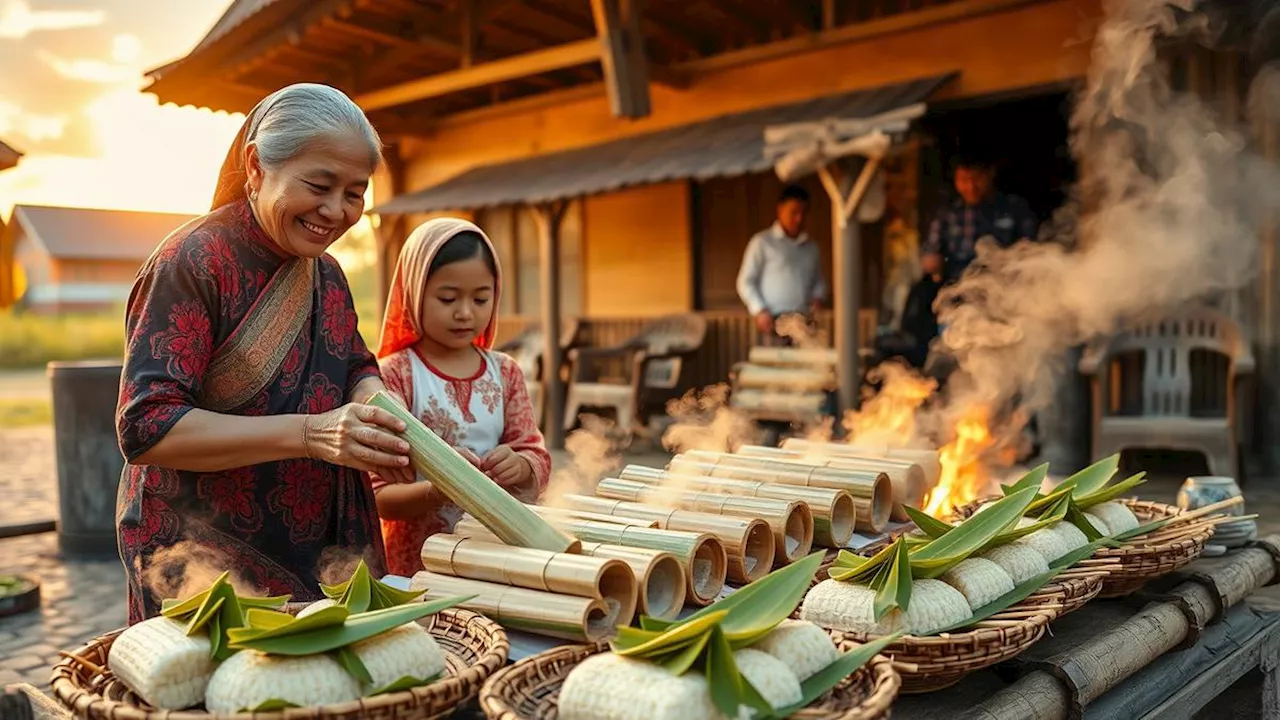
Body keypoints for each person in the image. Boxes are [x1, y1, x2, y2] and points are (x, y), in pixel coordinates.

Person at [114, 84, 414, 624]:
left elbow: (353, 363)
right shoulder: (191, 262)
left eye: (355, 192)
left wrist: (375, 398)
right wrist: (311, 434)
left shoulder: (326, 272)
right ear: (256, 166)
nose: (336, 210)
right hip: (203, 551)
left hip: (319, 550)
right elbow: (147, 426)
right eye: (319, 185)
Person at [371, 218, 551, 577]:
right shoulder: (394, 375)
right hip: (418, 565)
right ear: (413, 291)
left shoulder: (505, 372)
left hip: (496, 554)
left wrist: (521, 466)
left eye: (481, 298)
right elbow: (378, 496)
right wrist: (439, 489)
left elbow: (536, 455)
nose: (465, 312)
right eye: (448, 298)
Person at [921, 153, 1040, 286]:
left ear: (991, 173)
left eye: (977, 178)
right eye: (964, 180)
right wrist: (932, 262)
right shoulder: (947, 213)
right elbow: (931, 251)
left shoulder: (1015, 209)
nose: (971, 187)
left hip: (1004, 288)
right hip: (957, 288)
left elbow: (1031, 250)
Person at [736, 184, 827, 345]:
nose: (799, 218)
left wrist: (818, 296)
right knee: (773, 367)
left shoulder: (812, 248)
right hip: (772, 322)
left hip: (804, 322)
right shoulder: (762, 243)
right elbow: (745, 281)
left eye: (803, 213)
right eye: (794, 212)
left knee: (804, 367)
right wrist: (759, 310)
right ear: (780, 210)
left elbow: (819, 280)